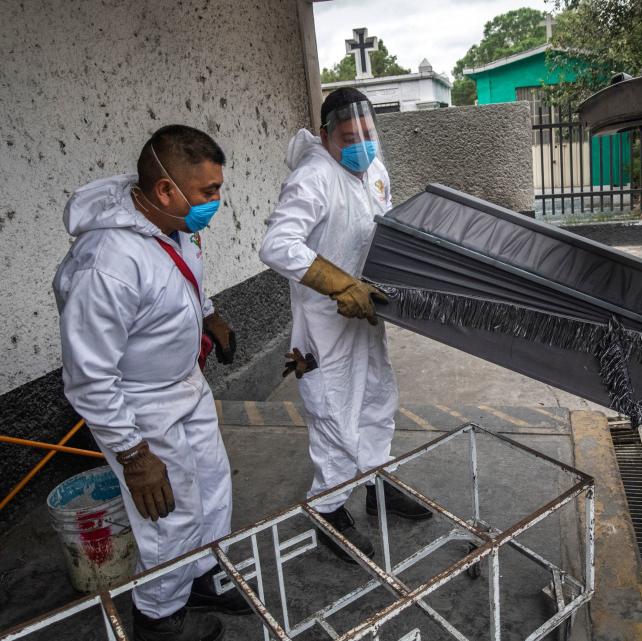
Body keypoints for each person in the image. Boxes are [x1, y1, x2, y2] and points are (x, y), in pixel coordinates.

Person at [54, 125, 247, 641]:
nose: (216, 201)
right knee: (170, 516)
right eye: (209, 192)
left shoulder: (171, 223)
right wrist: (133, 454)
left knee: (212, 490)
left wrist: (210, 315)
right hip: (138, 405)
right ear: (167, 189)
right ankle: (159, 617)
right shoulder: (108, 264)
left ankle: (201, 578)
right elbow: (89, 375)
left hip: (185, 384)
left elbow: (185, 275)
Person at [259, 88, 431, 563]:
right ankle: (328, 511)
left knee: (377, 398)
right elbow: (277, 246)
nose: (362, 144)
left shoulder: (373, 169)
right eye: (349, 137)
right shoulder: (313, 178)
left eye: (368, 133)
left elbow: (382, 226)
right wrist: (339, 285)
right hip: (325, 323)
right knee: (335, 414)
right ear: (325, 136)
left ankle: (376, 482)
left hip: (367, 311)